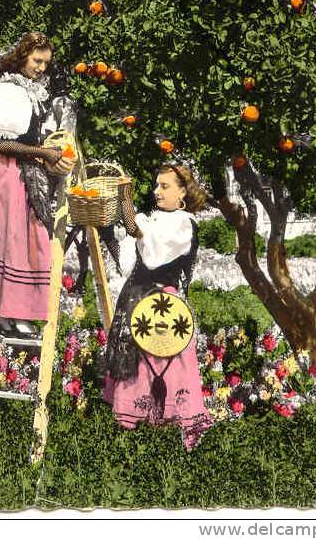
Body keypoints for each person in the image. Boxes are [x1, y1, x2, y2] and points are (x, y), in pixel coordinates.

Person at [0, 31, 77, 328]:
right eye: (37, 61)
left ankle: (16, 309)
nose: (41, 68)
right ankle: (1, 311)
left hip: (27, 173)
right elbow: (3, 145)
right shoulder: (6, 91)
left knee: (26, 240)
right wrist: (44, 153)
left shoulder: (35, 90)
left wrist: (50, 151)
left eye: (46, 63)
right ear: (23, 57)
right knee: (6, 240)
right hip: (5, 176)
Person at [102, 164, 213, 449]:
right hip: (135, 305)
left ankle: (170, 448)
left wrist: (126, 206)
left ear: (183, 192)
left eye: (165, 186)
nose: (156, 191)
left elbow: (153, 258)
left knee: (166, 371)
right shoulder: (149, 220)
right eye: (156, 185)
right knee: (135, 376)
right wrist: (108, 232)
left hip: (163, 311)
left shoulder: (183, 224)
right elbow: (127, 264)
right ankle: (136, 445)